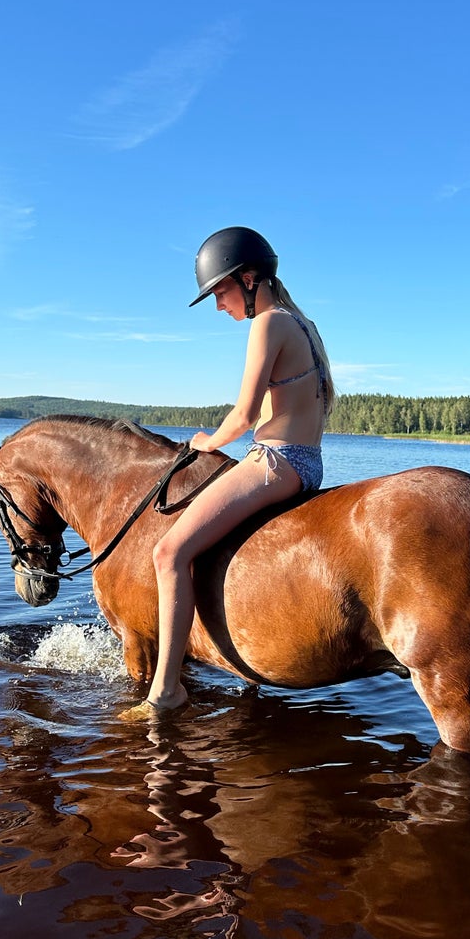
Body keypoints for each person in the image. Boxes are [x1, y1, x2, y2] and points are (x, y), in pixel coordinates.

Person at [123, 226, 334, 719]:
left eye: (220, 291)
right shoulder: (304, 325)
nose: (219, 305)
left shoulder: (268, 324)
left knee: (169, 551)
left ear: (250, 278)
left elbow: (242, 418)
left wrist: (205, 443)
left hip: (276, 460)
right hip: (306, 461)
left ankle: (166, 691)